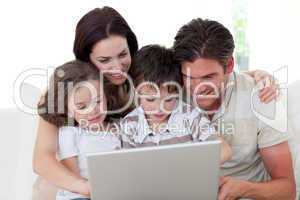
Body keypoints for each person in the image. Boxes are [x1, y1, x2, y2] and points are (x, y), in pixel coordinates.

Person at [33, 6, 280, 198]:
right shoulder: (71, 93)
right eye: (105, 60)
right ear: (86, 58)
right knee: (46, 189)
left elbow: (193, 67)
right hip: (80, 183)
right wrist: (86, 188)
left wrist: (255, 75)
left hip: (139, 179)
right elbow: (42, 160)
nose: (117, 67)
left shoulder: (144, 78)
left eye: (122, 55)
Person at [173, 18, 296, 200]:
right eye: (189, 77)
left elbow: (287, 189)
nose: (198, 87)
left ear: (229, 65)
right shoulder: (171, 93)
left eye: (208, 77)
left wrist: (244, 189)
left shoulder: (262, 97)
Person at [121, 44, 232, 164]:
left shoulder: (190, 116)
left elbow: (224, 151)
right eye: (150, 99)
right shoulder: (129, 125)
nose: (159, 109)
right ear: (136, 90)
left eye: (169, 100)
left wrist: (193, 168)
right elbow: (129, 167)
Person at [38, 60, 122, 200]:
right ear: (68, 111)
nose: (93, 111)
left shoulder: (117, 128)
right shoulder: (69, 133)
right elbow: (73, 174)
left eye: (98, 101)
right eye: (82, 107)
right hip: (78, 195)